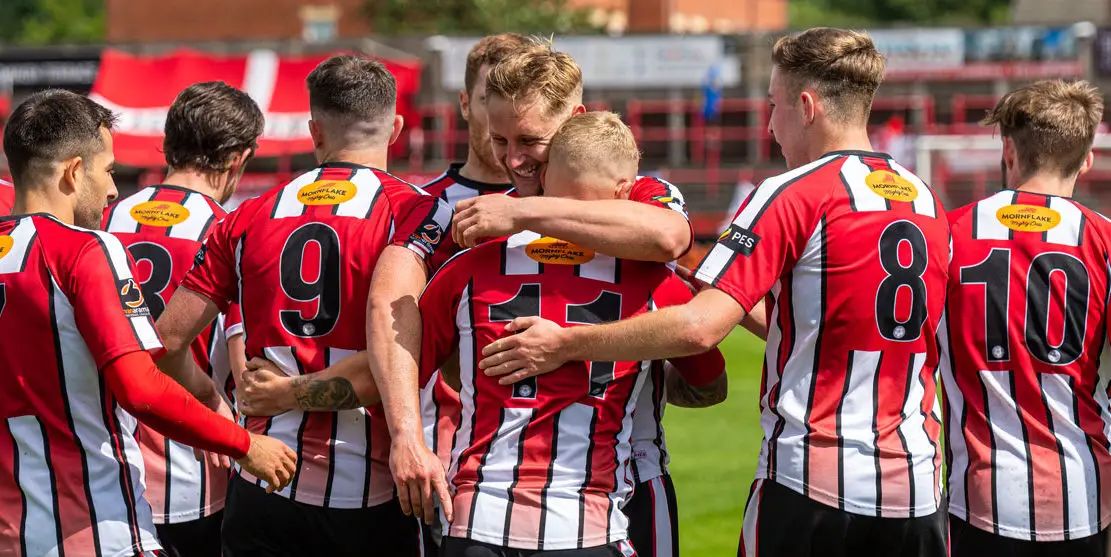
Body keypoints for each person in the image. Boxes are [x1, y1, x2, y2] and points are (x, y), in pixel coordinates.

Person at [478, 28, 951, 557]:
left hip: (809, 476)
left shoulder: (788, 191)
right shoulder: (926, 199)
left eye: (772, 106)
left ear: (806, 106)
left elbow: (698, 323)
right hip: (915, 480)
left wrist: (565, 343)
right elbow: (814, 323)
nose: (770, 126)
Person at [154, 55, 455, 556]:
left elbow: (164, 344)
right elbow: (407, 355)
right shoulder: (419, 213)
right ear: (396, 128)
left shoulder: (247, 215)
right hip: (376, 495)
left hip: (265, 486)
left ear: (314, 131)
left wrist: (218, 406)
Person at [0, 89, 294, 556]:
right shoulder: (86, 249)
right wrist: (244, 444)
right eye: (109, 171)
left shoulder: (96, 229)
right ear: (75, 172)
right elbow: (139, 389)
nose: (114, 188)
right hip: (93, 527)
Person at [422, 111, 725, 556]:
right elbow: (708, 384)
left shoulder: (469, 265)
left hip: (477, 515)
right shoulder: (658, 282)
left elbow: (404, 362)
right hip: (592, 517)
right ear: (624, 191)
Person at [941, 80, 1111, 556]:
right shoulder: (1105, 242)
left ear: (1008, 150)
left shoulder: (949, 234)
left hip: (978, 499)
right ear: (1087, 159)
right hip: (1084, 496)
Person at [101, 81, 262, 557]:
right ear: (237, 158)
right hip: (194, 469)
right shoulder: (228, 231)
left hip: (113, 463)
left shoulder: (103, 221)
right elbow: (245, 366)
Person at [422, 33, 522, 208]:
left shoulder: (559, 205)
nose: (503, 122)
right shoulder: (422, 206)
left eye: (517, 103)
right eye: (488, 101)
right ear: (465, 104)